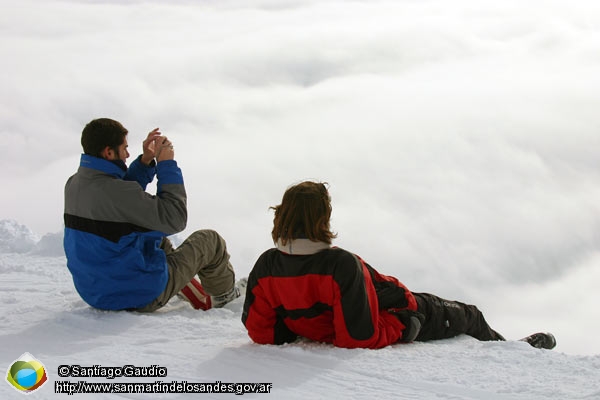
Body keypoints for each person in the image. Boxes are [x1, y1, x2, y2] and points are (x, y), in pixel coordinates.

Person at [242, 181, 556, 350]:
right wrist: (406, 327)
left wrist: (304, 327)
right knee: (470, 315)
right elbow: (357, 338)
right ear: (321, 219)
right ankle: (519, 353)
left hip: (377, 301)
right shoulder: (339, 265)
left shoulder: (268, 266)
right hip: (402, 310)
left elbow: (261, 331)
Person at [64, 118, 241, 312]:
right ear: (108, 152)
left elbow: (121, 201)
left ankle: (186, 286)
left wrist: (145, 161)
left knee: (156, 239)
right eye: (124, 148)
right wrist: (166, 165)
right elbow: (174, 218)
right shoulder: (118, 193)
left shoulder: (74, 184)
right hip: (136, 294)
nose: (127, 154)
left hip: (95, 291)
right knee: (210, 241)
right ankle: (225, 297)